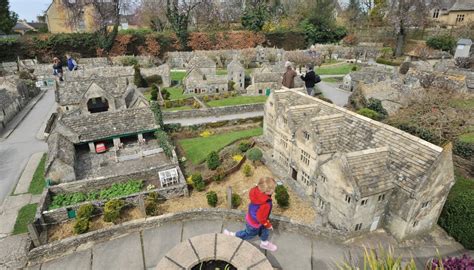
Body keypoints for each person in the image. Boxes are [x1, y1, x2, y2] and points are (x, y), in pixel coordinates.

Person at [223, 177, 278, 252]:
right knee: (248, 234)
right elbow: (261, 218)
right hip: (254, 223)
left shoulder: (256, 191)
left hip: (252, 217)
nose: (274, 191)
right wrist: (268, 224)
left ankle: (264, 243)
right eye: (273, 189)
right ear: (268, 191)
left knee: (265, 231)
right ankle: (232, 235)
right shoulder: (265, 204)